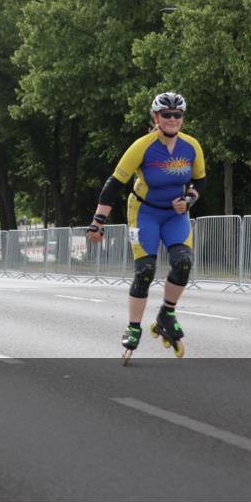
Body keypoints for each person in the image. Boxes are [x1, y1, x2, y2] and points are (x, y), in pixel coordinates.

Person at [86, 91, 206, 362]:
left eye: (178, 115)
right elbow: (114, 184)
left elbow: (200, 181)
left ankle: (167, 313)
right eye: (167, 115)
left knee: (184, 262)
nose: (173, 119)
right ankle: (133, 327)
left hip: (175, 216)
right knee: (145, 271)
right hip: (145, 213)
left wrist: (189, 200)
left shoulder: (192, 146)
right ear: (156, 117)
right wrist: (98, 222)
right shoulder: (142, 146)